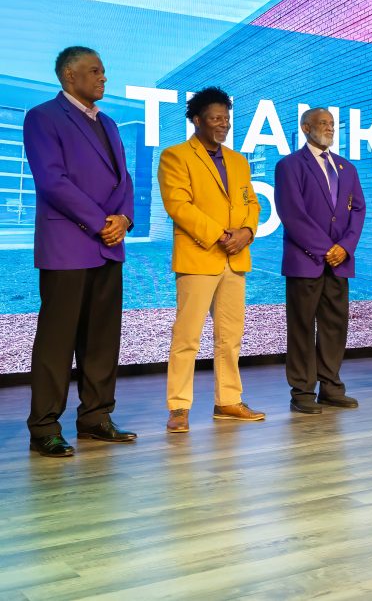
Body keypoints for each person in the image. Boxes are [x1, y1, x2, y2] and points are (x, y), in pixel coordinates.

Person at [23, 46, 137, 457]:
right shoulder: (43, 117)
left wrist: (123, 219)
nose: (103, 77)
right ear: (69, 76)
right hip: (68, 245)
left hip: (109, 246)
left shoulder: (109, 123)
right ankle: (44, 427)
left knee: (102, 339)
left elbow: (124, 179)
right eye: (94, 71)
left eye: (103, 71)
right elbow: (52, 181)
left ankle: (96, 417)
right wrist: (100, 221)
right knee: (57, 341)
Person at [158, 87, 264, 432]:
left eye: (227, 119)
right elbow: (179, 206)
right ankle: (179, 406)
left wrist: (247, 231)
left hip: (235, 258)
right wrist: (221, 235)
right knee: (186, 337)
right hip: (199, 255)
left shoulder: (238, 161)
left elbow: (251, 203)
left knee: (230, 336)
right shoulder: (175, 156)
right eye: (216, 118)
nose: (224, 124)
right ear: (196, 120)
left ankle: (228, 400)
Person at [274, 108, 365, 414]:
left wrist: (345, 247)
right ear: (305, 127)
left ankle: (331, 387)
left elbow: (358, 211)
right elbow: (292, 213)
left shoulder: (346, 168)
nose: (330, 128)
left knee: (334, 326)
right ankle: (302, 392)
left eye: (332, 124)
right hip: (305, 260)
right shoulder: (289, 165)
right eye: (323, 123)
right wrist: (326, 249)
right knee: (301, 327)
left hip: (340, 262)